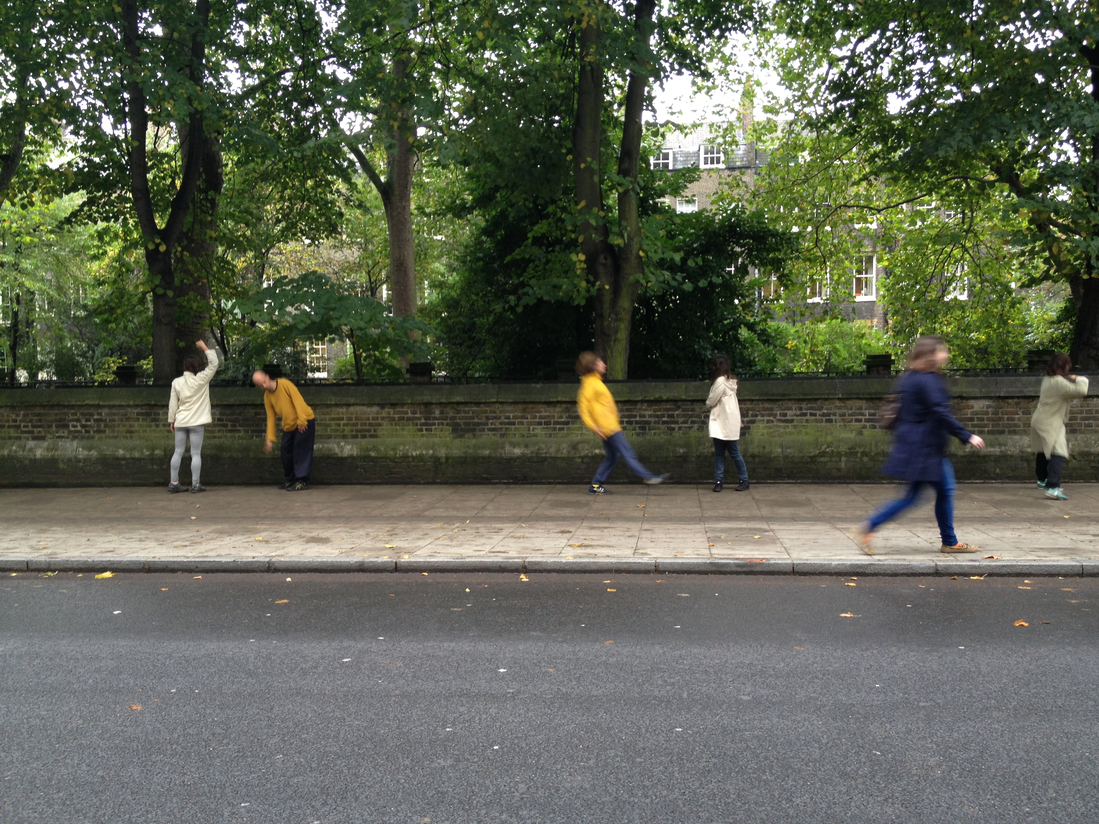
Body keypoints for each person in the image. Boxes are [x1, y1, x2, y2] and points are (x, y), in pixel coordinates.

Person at [859, 335, 986, 553]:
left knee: (936, 491)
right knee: (923, 494)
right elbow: (940, 413)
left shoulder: (910, 377)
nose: (946, 354)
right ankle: (871, 525)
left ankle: (949, 541)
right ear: (931, 355)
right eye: (942, 351)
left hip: (918, 447)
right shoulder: (928, 380)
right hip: (925, 449)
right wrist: (967, 435)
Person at [576, 351, 668, 494]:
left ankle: (595, 485)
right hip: (609, 428)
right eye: (600, 362)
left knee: (612, 457)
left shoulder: (595, 382)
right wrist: (594, 427)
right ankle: (647, 477)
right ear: (592, 366)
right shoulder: (590, 384)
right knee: (628, 453)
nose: (604, 364)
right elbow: (583, 409)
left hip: (608, 426)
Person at [1030, 352, 1089, 501]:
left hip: (1040, 419)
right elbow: (1081, 391)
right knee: (1059, 451)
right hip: (1050, 422)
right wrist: (1079, 378)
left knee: (1044, 450)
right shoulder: (1058, 382)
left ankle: (1042, 479)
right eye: (1068, 365)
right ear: (1064, 366)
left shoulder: (1047, 379)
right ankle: (1052, 486)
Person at [167, 340, 219, 493]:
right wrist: (204, 348)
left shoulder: (176, 382)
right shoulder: (202, 379)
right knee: (196, 453)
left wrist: (172, 420)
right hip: (197, 421)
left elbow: (173, 404)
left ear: (184, 366)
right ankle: (196, 485)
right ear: (197, 367)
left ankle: (174, 482)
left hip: (181, 421)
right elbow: (214, 364)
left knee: (178, 452)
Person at [252, 369, 316, 491]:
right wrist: (269, 438)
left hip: (304, 420)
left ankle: (302, 480)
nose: (264, 386)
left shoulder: (285, 384)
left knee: (300, 450)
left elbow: (298, 401)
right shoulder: (267, 397)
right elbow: (271, 417)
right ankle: (291, 479)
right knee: (285, 450)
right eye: (260, 385)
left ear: (267, 377)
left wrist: (302, 421)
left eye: (264, 382)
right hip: (289, 425)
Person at [707, 354, 749, 492]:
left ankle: (719, 481)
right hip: (731, 422)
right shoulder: (730, 382)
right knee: (735, 453)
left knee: (720, 454)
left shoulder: (719, 382)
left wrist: (707, 404)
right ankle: (744, 479)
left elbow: (711, 400)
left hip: (721, 422)